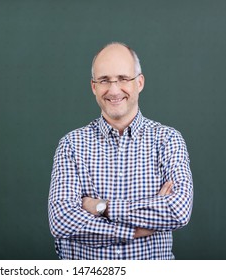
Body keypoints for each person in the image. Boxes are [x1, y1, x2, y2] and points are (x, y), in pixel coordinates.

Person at [48, 42, 193, 259]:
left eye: (123, 78)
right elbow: (62, 220)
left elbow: (177, 211)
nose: (114, 90)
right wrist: (134, 231)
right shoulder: (71, 144)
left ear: (140, 82)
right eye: (104, 80)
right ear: (93, 87)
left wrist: (101, 207)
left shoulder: (168, 140)